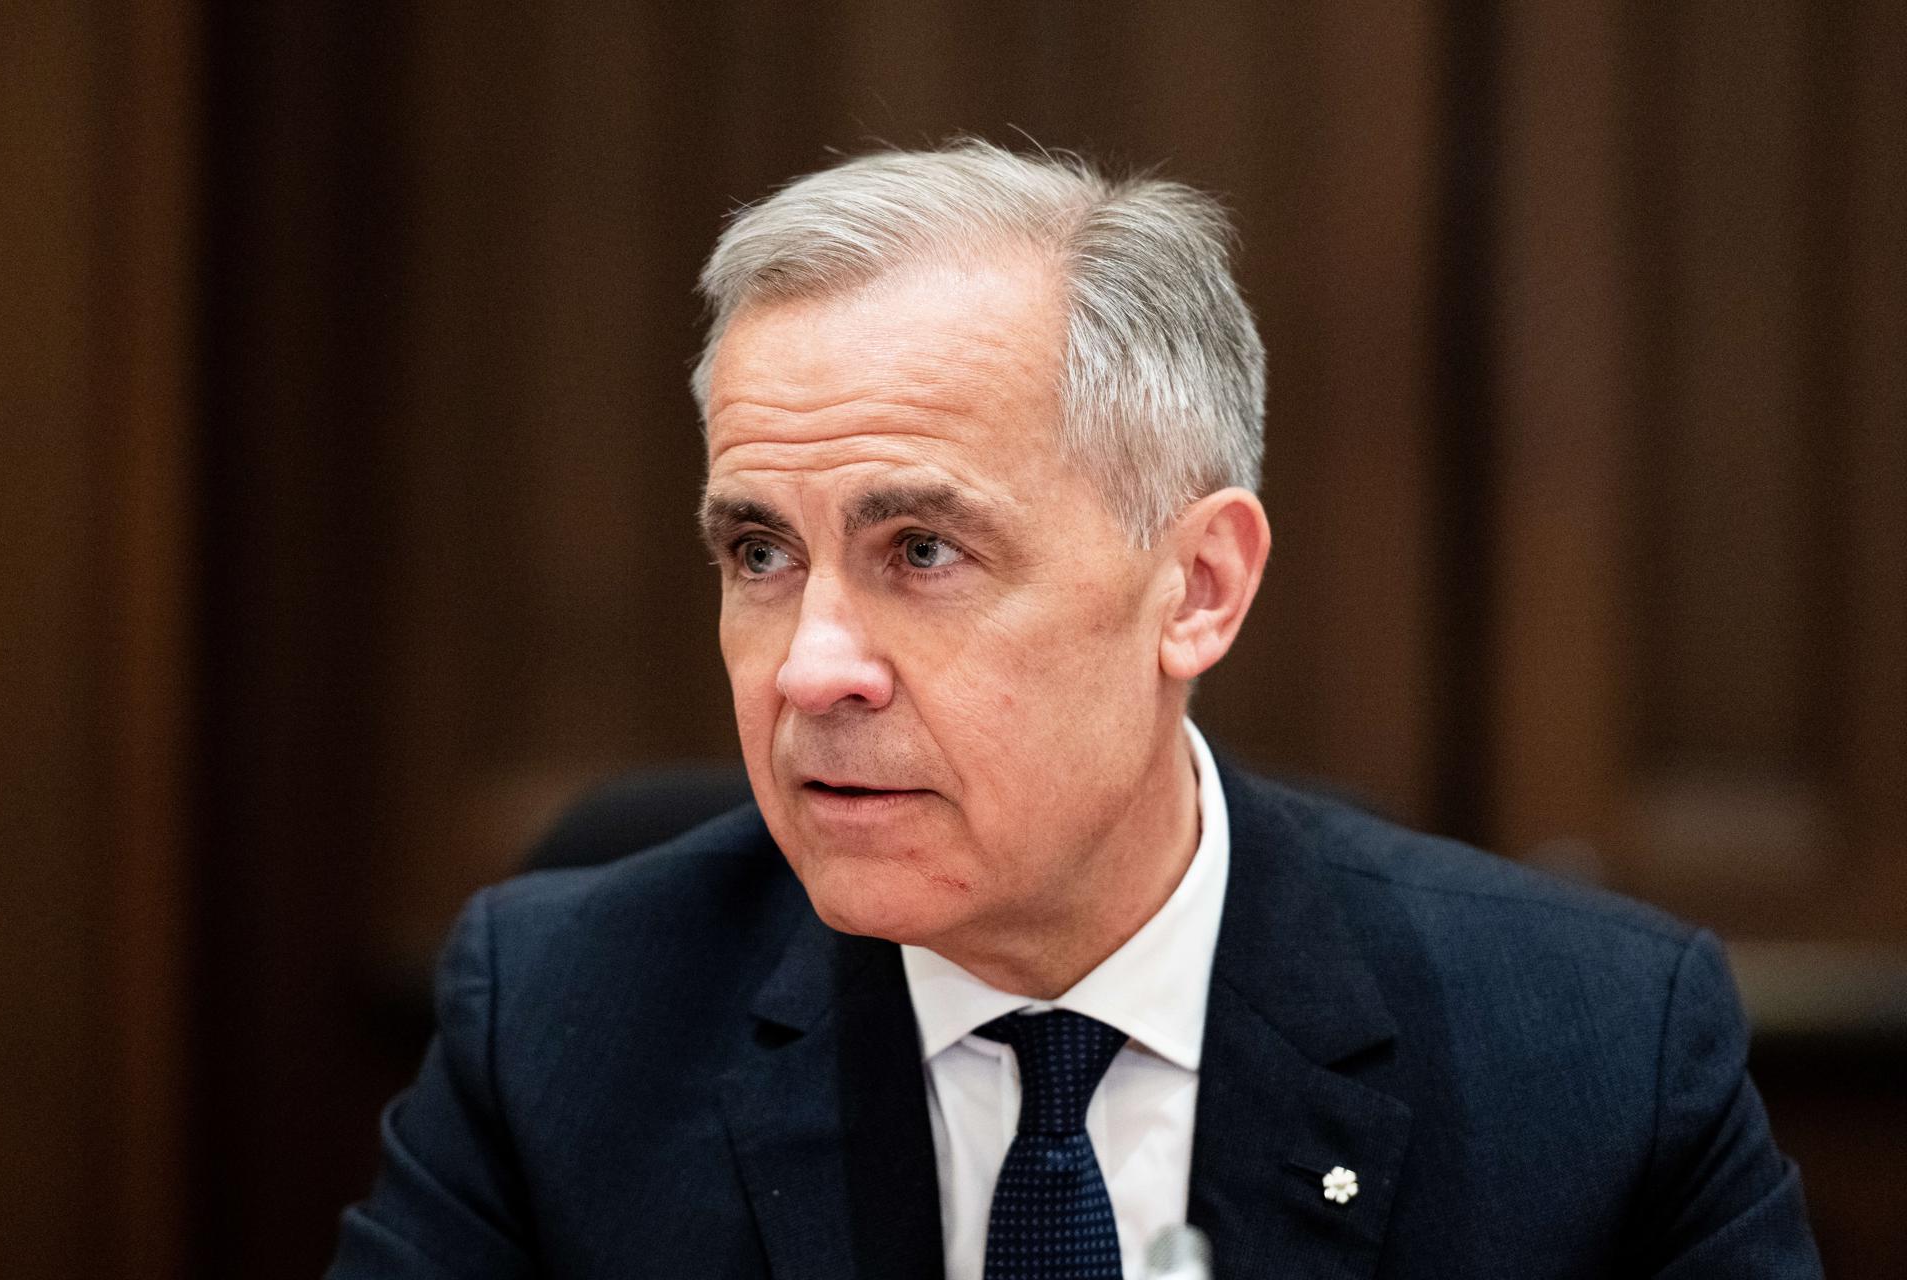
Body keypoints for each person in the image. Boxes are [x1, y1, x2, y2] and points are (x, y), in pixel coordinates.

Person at [328, 141, 1822, 1279]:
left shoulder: (1595, 1058)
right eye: (762, 554)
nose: (810, 668)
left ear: (1199, 589)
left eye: (924, 551)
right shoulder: (563, 1026)